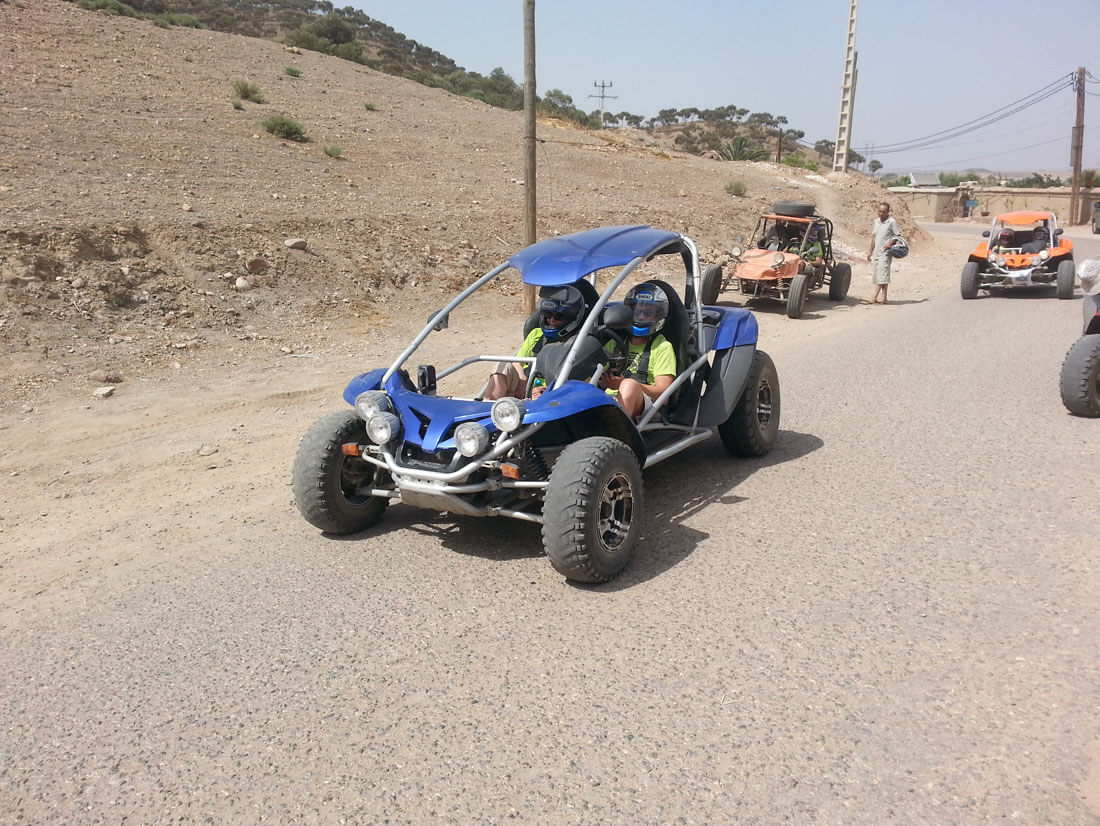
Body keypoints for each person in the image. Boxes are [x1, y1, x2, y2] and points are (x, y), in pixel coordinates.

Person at [484, 284, 586, 400]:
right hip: (526, 387)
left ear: (572, 318)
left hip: (554, 395)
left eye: (559, 316)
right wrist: (522, 379)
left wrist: (545, 390)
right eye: (547, 314)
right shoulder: (537, 334)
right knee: (503, 365)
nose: (551, 320)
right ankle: (487, 407)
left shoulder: (580, 343)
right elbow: (517, 362)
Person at [598, 282, 677, 420]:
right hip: (608, 399)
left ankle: (617, 433)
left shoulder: (662, 347)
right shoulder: (615, 343)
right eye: (635, 311)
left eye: (647, 312)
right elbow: (592, 373)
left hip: (647, 406)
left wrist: (623, 384)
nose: (640, 316)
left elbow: (664, 394)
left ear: (657, 316)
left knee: (629, 385)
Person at [868, 201, 901, 304]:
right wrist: (870, 251)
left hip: (885, 253)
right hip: (877, 252)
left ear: (888, 212)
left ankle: (874, 297)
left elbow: (897, 236)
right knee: (882, 275)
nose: (881, 214)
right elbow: (874, 237)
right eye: (880, 211)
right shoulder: (877, 221)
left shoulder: (892, 222)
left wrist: (890, 244)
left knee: (881, 274)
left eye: (883, 212)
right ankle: (884, 298)